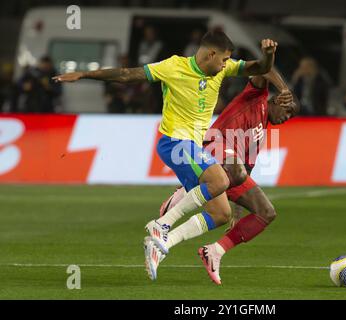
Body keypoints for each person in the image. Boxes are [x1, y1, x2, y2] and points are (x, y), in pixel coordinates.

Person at [53, 30, 286, 281]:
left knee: (221, 214)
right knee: (221, 180)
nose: (225, 65)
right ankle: (162, 224)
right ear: (211, 53)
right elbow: (127, 74)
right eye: (223, 60)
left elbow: (260, 67)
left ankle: (159, 246)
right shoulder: (173, 66)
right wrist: (86, 74)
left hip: (193, 148)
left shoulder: (223, 69)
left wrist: (269, 55)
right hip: (175, 143)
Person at [152, 69, 298, 284]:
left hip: (231, 167)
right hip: (213, 147)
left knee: (266, 212)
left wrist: (237, 215)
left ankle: (215, 251)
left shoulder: (259, 136)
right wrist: (284, 86)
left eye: (291, 117)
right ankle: (185, 191)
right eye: (288, 112)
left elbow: (243, 175)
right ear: (277, 101)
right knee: (235, 173)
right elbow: (264, 68)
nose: (286, 119)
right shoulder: (256, 96)